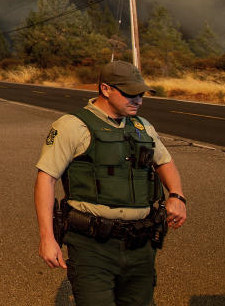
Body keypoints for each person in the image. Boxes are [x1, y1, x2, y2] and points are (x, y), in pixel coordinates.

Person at [34, 60, 187, 306]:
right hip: (92, 246)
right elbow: (46, 179)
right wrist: (47, 238)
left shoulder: (143, 127)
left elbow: (165, 163)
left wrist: (177, 196)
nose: (138, 100)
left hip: (141, 244)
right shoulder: (73, 126)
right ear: (105, 89)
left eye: (141, 94)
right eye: (130, 93)